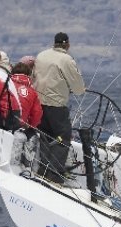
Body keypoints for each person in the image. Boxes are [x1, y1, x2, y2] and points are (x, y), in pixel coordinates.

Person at [33, 32, 86, 183]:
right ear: (67, 44)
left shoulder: (41, 55)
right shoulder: (66, 59)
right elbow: (77, 86)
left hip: (38, 103)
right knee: (63, 137)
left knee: (45, 135)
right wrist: (80, 89)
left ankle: (42, 170)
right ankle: (54, 175)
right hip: (55, 105)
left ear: (54, 43)